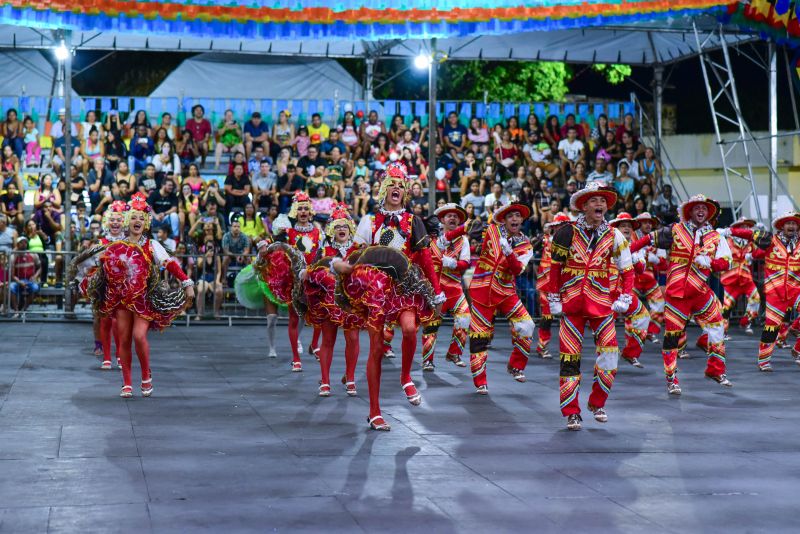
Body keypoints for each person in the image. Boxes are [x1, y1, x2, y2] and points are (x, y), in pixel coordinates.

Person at [332, 162, 445, 431]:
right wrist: (339, 265)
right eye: (391, 184)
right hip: (375, 292)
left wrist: (437, 293)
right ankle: (374, 412)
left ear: (405, 192)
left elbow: (426, 259)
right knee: (376, 350)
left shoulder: (413, 221)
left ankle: (406, 376)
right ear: (383, 189)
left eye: (401, 185)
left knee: (409, 329)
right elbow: (354, 255)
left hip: (404, 288)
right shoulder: (368, 221)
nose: (396, 188)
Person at [69, 193, 194, 398]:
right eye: (133, 217)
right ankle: (127, 382)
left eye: (140, 218)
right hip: (120, 300)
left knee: (138, 335)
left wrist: (186, 282)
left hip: (144, 299)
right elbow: (89, 263)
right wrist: (90, 271)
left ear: (145, 223)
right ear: (128, 221)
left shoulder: (151, 245)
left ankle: (146, 374)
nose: (137, 221)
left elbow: (168, 263)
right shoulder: (115, 245)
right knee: (124, 339)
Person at [546, 182, 633, 431]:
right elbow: (554, 269)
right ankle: (571, 411)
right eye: (594, 201)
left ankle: (597, 402)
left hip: (601, 305)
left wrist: (625, 296)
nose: (600, 205)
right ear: (583, 206)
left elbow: (627, 269)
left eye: (603, 201)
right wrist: (554, 297)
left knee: (610, 355)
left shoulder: (614, 235)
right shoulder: (566, 232)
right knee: (569, 360)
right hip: (571, 306)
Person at [656, 194, 732, 395]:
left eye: (704, 208)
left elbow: (727, 262)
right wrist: (629, 252)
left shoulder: (716, 236)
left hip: (700, 291)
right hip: (676, 294)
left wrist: (712, 263)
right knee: (672, 337)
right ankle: (671, 379)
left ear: (709, 213)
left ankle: (716, 371)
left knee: (717, 326)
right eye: (696, 207)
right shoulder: (675, 230)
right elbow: (651, 241)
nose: (701, 210)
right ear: (689, 211)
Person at [467, 201, 535, 393]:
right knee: (479, 336)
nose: (514, 219)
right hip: (482, 290)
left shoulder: (526, 244)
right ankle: (480, 381)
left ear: (522, 220)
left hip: (506, 291)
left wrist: (509, 253)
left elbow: (518, 270)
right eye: (510, 216)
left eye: (518, 216)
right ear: (503, 220)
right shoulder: (492, 231)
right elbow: (471, 228)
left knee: (527, 325)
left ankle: (516, 365)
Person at [300, 203, 363, 396]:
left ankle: (350, 379)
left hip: (351, 304)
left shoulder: (358, 249)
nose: (341, 229)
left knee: (352, 339)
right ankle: (325, 381)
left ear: (350, 228)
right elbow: (311, 272)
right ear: (331, 230)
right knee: (327, 340)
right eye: (337, 226)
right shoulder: (323, 250)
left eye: (344, 226)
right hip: (328, 303)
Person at [726, 212, 800, 371]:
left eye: (794, 224)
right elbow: (750, 234)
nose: (792, 227)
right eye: (788, 223)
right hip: (775, 292)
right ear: (781, 226)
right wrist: (730, 232)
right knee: (771, 327)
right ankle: (764, 361)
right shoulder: (770, 240)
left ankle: (797, 347)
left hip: (795, 290)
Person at [420, 204, 472, 371]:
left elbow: (466, 263)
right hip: (437, 289)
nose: (452, 218)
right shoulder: (432, 240)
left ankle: (454, 353)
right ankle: (427, 360)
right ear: (441, 220)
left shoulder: (463, 240)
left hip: (455, 288)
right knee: (432, 324)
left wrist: (454, 263)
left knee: (465, 318)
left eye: (456, 216)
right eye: (449, 216)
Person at [608, 213, 652, 368]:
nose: (626, 228)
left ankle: (630, 353)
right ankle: (605, 364)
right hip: (605, 292)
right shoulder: (608, 241)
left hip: (624, 293)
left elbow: (641, 269)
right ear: (616, 228)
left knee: (643, 317)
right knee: (604, 329)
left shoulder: (634, 246)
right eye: (623, 225)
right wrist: (645, 241)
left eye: (629, 226)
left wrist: (636, 260)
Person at [534, 212, 570, 358]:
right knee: (547, 317)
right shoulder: (546, 240)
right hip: (546, 285)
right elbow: (532, 245)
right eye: (558, 226)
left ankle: (568, 348)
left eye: (563, 226)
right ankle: (542, 346)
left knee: (568, 318)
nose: (560, 229)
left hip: (563, 284)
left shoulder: (571, 244)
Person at [717, 217, 760, 336]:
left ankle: (746, 323)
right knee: (726, 306)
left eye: (747, 226)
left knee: (756, 297)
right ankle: (722, 332)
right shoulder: (727, 240)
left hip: (746, 278)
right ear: (737, 228)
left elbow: (761, 252)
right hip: (731, 278)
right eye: (743, 226)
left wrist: (752, 255)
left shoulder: (751, 242)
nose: (746, 228)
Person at [9, 236, 41, 314]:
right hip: (18, 280)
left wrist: (35, 276)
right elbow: (12, 275)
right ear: (18, 244)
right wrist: (20, 282)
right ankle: (16, 311)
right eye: (21, 242)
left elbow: (40, 268)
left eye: (25, 242)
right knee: (11, 287)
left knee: (35, 287)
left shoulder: (33, 254)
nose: (24, 244)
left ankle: (24, 309)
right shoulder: (13, 256)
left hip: (30, 280)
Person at [195, 245, 224, 320]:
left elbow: (219, 271)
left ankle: (216, 311)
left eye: (212, 248)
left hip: (213, 279)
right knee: (201, 290)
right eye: (208, 247)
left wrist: (217, 280)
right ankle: (199, 313)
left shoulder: (216, 257)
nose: (210, 250)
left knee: (219, 290)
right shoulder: (201, 256)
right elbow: (199, 265)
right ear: (205, 248)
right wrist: (206, 256)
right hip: (203, 278)